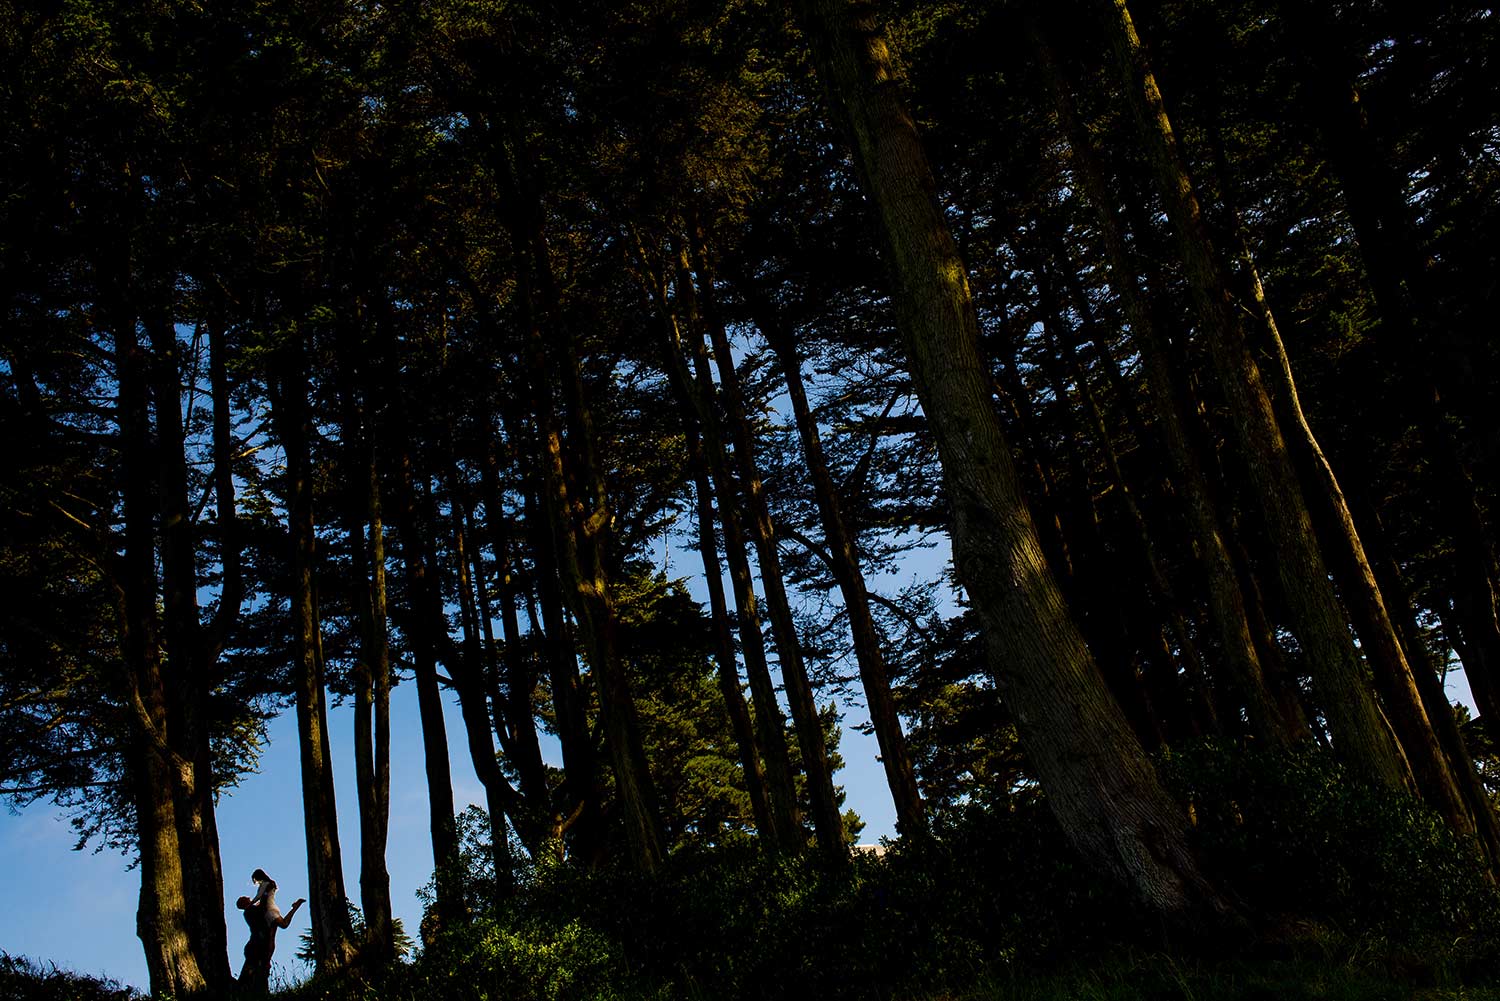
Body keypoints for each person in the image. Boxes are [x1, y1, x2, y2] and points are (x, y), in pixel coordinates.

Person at [236, 869, 305, 993]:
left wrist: (268, 891)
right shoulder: (250, 911)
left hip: (262, 943)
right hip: (258, 944)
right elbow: (262, 903)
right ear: (244, 903)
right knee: (258, 968)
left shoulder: (255, 910)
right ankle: (250, 989)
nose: (247, 897)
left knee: (260, 967)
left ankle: (251, 989)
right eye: (244, 898)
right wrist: (267, 890)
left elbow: (263, 902)